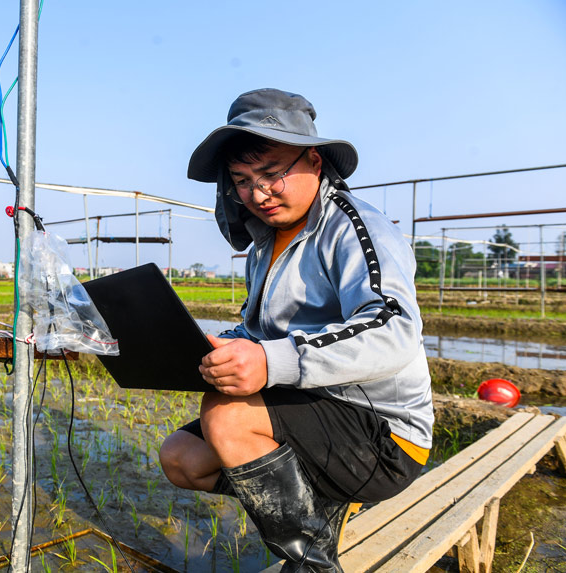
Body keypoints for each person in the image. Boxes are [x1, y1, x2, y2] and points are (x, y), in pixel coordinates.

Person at [159, 89, 433, 572]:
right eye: (242, 180)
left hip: (383, 434)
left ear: (315, 159)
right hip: (314, 410)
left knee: (227, 417)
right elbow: (257, 329)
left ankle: (312, 565)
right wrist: (215, 347)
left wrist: (269, 361)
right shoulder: (265, 243)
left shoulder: (354, 227)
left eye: (271, 173)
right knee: (182, 457)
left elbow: (394, 328)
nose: (258, 193)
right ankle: (318, 503)